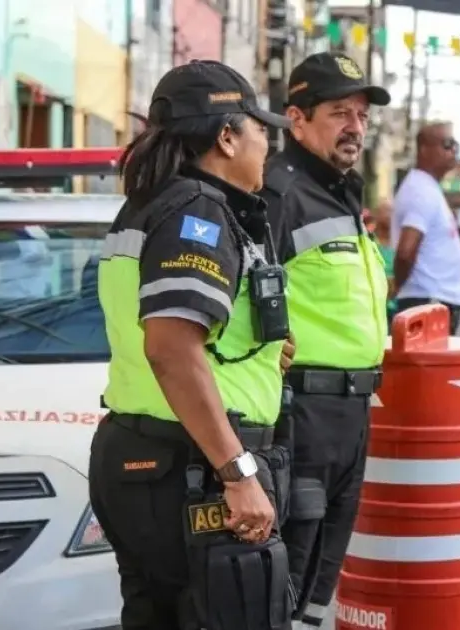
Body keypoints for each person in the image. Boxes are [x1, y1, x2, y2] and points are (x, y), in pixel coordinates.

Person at [88, 60, 295, 629]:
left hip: (148, 457)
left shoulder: (151, 204)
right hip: (191, 466)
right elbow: (172, 347)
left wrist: (260, 353)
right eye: (261, 131)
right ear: (226, 137)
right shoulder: (198, 211)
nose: (266, 149)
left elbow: (180, 333)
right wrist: (237, 472)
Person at [259, 52, 391, 629]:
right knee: (283, 587)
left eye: (361, 115)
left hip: (352, 416)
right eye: (340, 113)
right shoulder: (278, 193)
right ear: (297, 118)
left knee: (318, 594)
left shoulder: (340, 194)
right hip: (301, 414)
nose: (355, 127)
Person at [392, 122, 460, 333]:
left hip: (433, 300)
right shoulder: (420, 190)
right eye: (447, 144)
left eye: (455, 145)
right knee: (428, 366)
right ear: (424, 149)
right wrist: (399, 286)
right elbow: (406, 251)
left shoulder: (428, 187)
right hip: (427, 302)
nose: (453, 150)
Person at [372, 201, 400, 325]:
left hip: (396, 305)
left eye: (391, 211)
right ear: (376, 215)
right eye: (385, 211)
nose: (389, 215)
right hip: (375, 304)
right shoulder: (369, 241)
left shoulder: (399, 242)